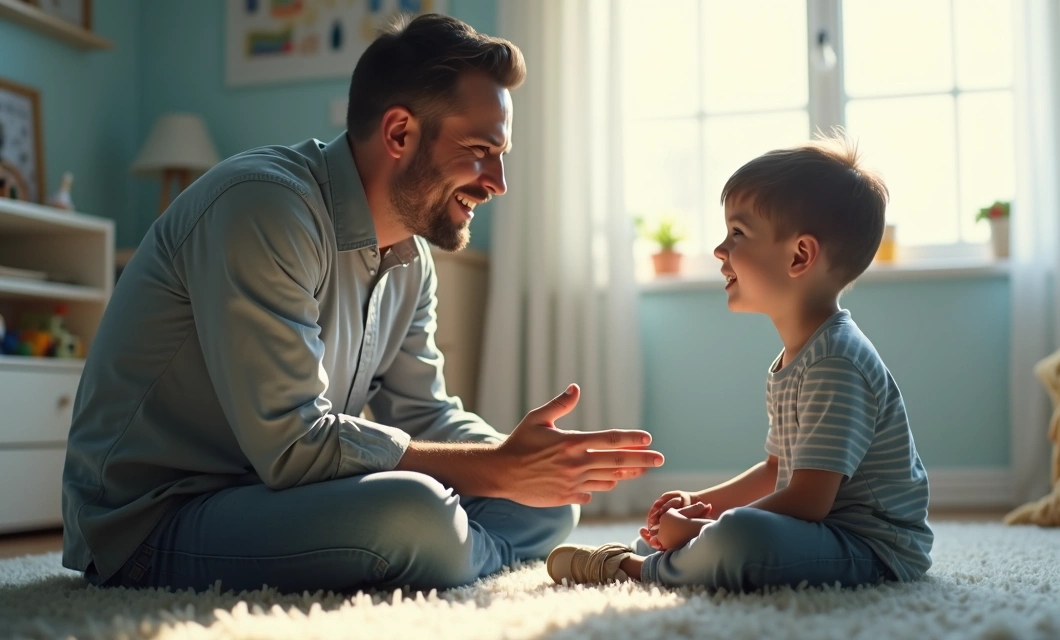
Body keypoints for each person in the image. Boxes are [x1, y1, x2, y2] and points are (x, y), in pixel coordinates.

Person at [61, 13, 663, 595]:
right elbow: (294, 445)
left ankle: (452, 555)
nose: (498, 181)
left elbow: (424, 413)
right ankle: (446, 551)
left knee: (549, 508)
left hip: (275, 495)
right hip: (156, 516)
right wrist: (495, 470)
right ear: (400, 132)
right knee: (415, 513)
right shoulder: (264, 206)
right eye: (481, 148)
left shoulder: (411, 258)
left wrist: (524, 460)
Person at [546, 133, 933, 591]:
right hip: (827, 529)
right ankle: (662, 553)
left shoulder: (837, 363)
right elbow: (776, 470)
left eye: (738, 233)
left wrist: (707, 528)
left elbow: (809, 501)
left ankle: (636, 568)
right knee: (714, 530)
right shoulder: (798, 358)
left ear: (800, 255)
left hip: (874, 549)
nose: (719, 251)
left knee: (740, 536)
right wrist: (699, 503)